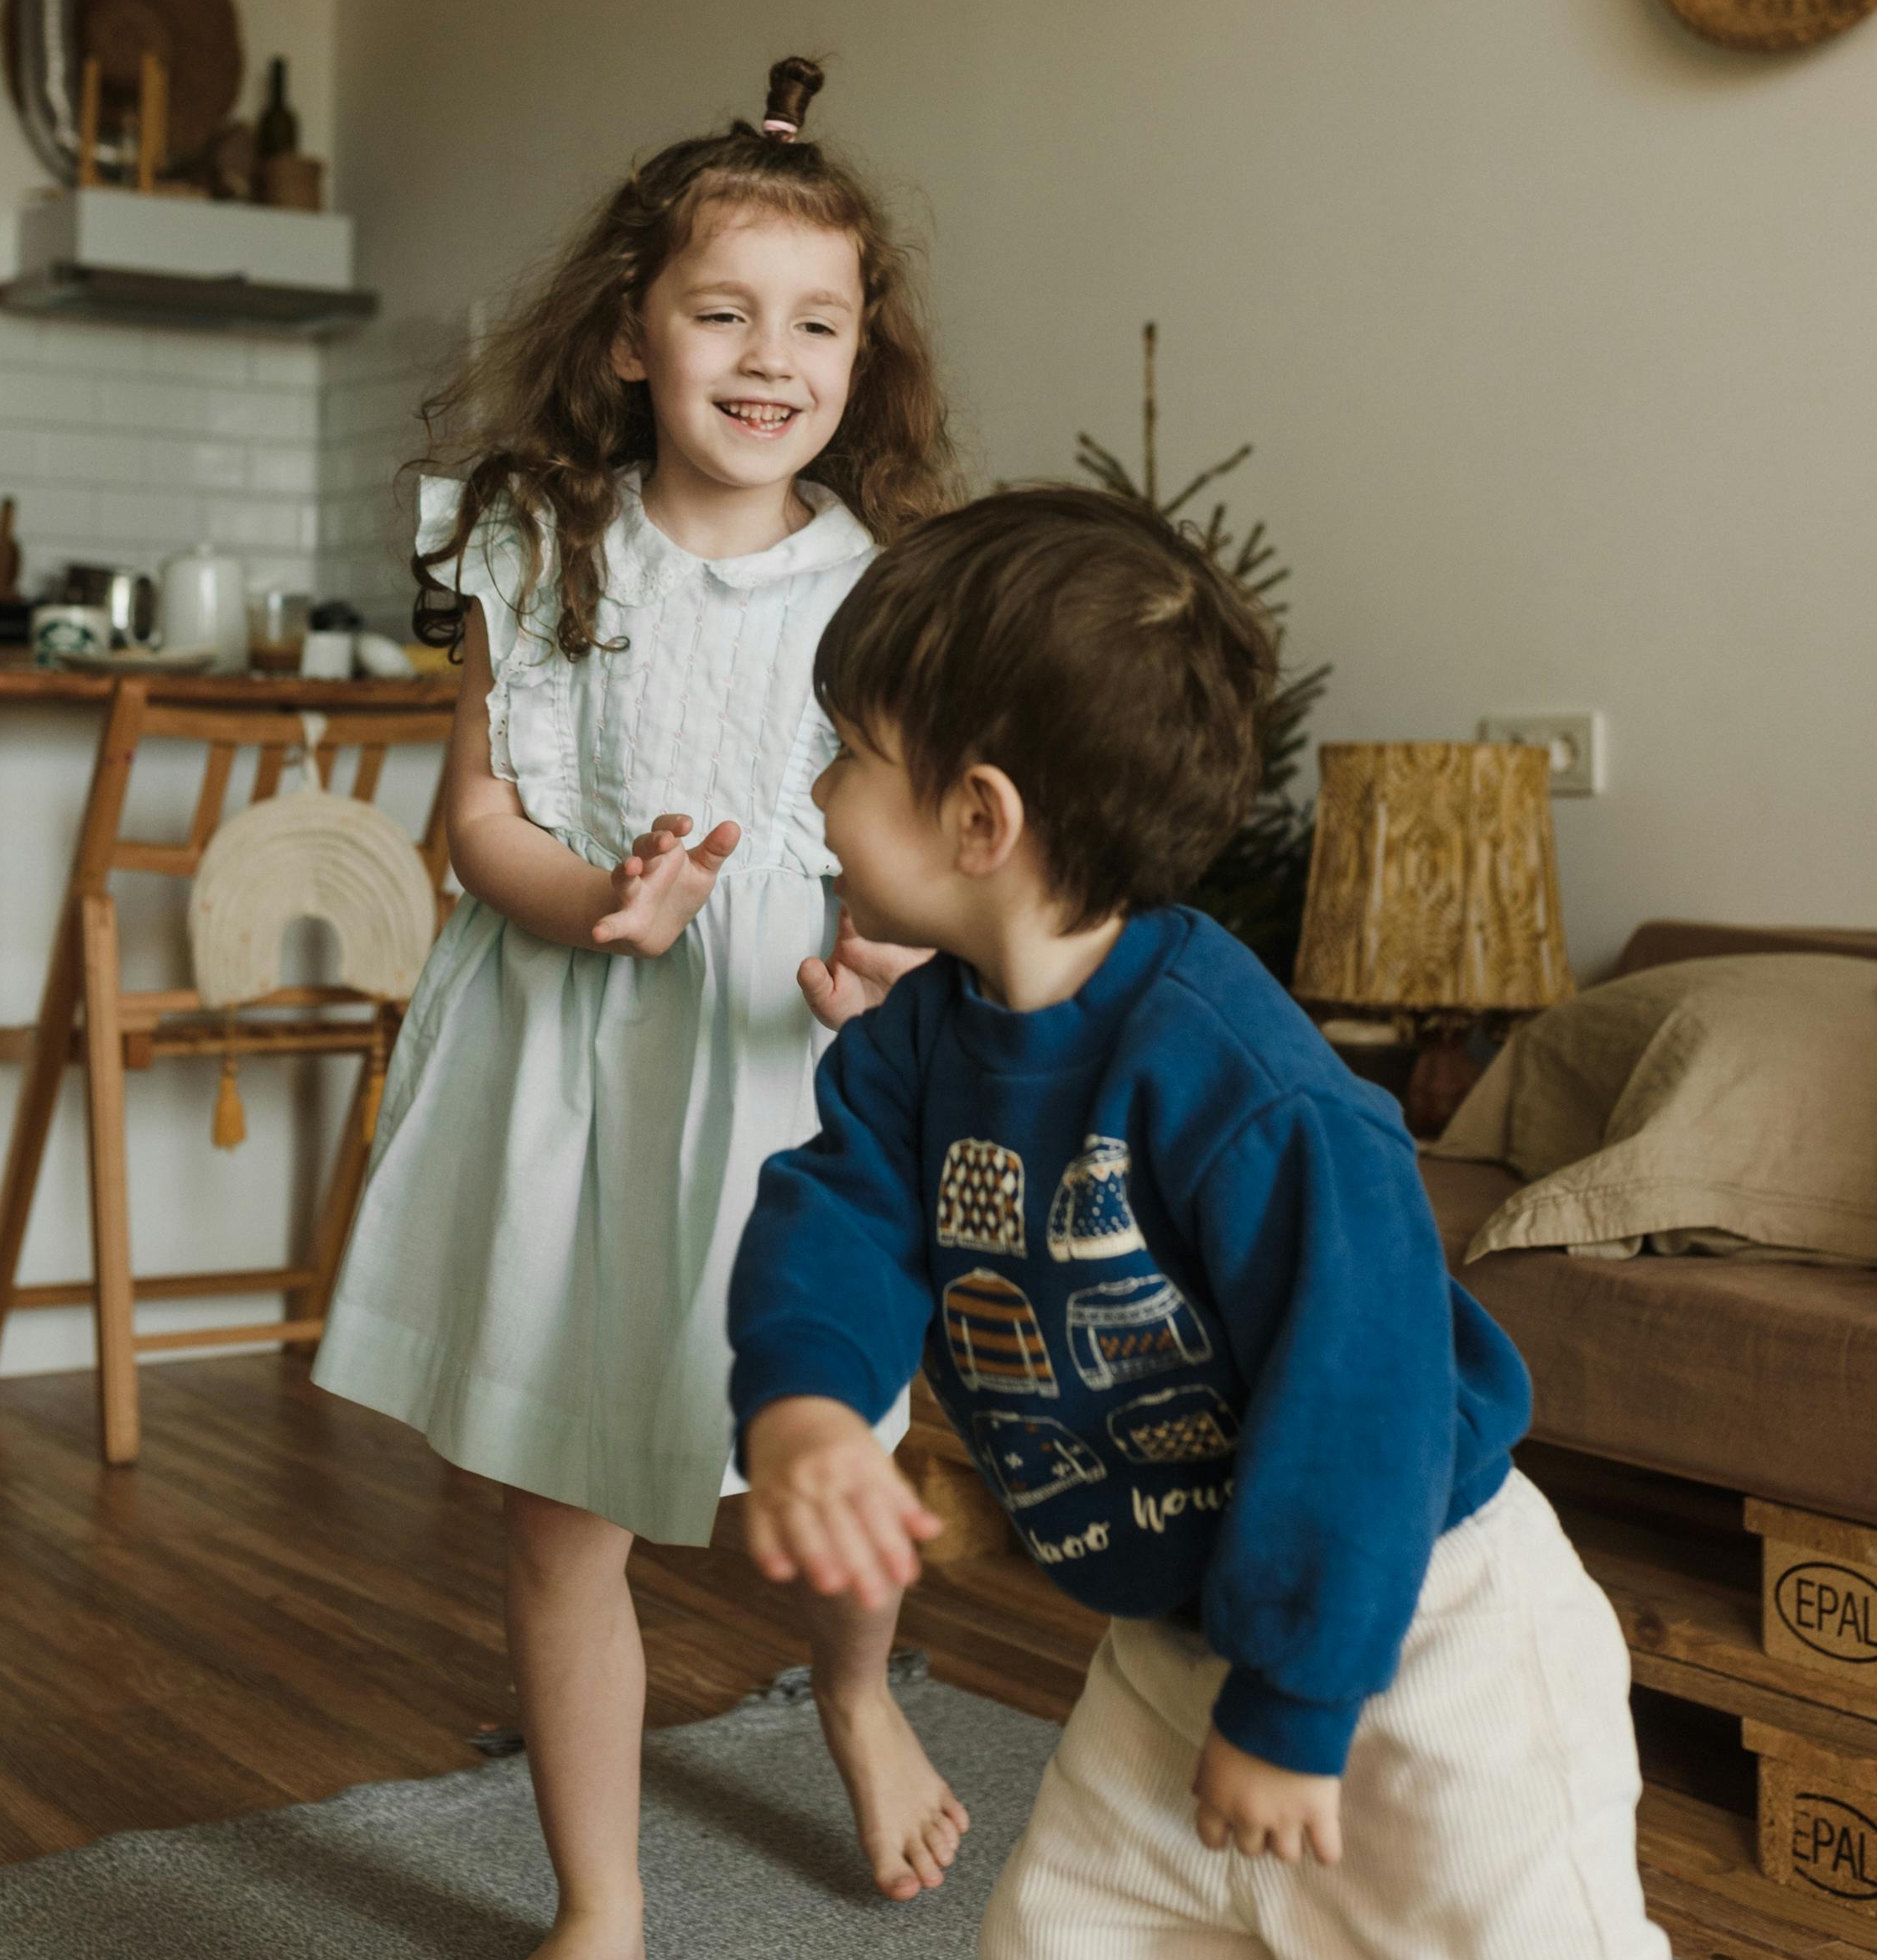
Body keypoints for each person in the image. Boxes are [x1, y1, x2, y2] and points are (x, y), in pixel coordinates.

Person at [726, 487, 1671, 1959]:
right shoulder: (920, 1044)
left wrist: (1298, 1707)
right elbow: (837, 1217)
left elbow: (1366, 1405)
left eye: (848, 753)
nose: (820, 795)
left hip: (1422, 1626)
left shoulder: (1246, 1085)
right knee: (1061, 1933)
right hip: (1178, 1634)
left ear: (982, 817)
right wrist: (803, 1410)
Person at [309, 58, 968, 1960]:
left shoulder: (888, 591)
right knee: (559, 1507)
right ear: (628, 335)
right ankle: (600, 1897)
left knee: (830, 1454)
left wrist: (883, 961)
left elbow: (913, 860)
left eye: (816, 322)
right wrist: (605, 898)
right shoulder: (532, 544)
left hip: (782, 1072)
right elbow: (475, 821)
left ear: (863, 354)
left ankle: (853, 1688)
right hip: (561, 1069)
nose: (771, 357)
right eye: (722, 311)